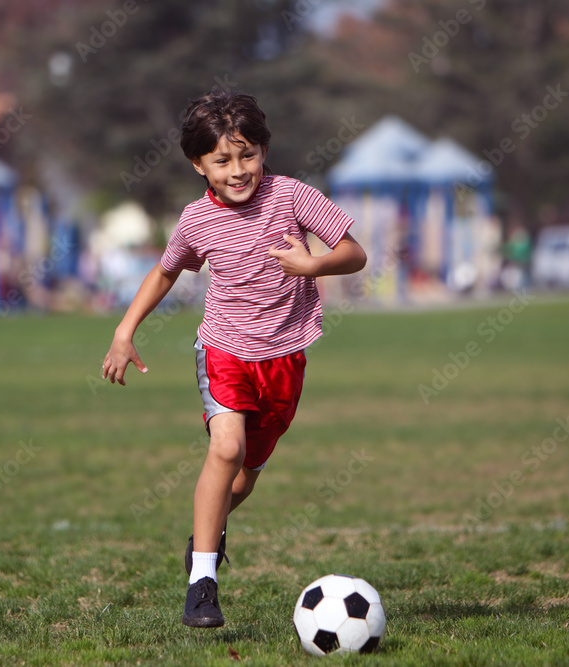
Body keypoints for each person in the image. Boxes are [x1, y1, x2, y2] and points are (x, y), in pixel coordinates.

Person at [101, 91, 367, 628]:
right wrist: (124, 331)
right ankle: (203, 582)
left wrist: (311, 265)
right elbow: (166, 271)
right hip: (223, 350)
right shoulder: (196, 220)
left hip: (284, 358)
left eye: (247, 155)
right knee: (226, 449)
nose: (237, 170)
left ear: (264, 150)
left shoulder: (292, 197)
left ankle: (207, 532)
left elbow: (355, 253)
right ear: (198, 164)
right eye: (222, 160)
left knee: (244, 477)